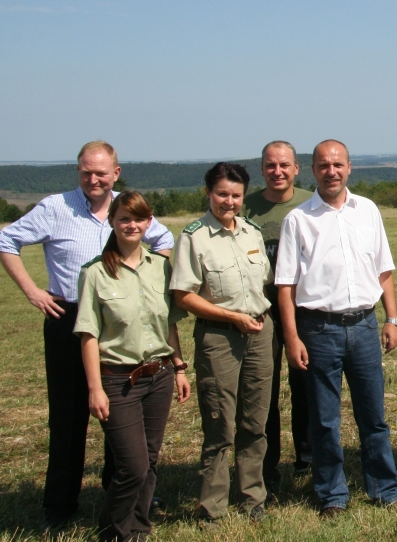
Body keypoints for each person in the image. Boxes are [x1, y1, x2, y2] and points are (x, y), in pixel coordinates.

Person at [0, 141, 174, 529]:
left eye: (101, 173)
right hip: (70, 317)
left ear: (116, 173)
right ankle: (59, 505)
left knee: (124, 407)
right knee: (70, 416)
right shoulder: (55, 207)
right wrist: (33, 291)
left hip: (120, 321)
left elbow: (164, 241)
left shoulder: (128, 207)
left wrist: (149, 286)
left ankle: (123, 491)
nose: (94, 179)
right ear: (78, 172)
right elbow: (4, 241)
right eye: (86, 172)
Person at [276, 140, 397, 516]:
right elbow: (285, 285)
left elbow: (383, 269)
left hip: (364, 325)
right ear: (312, 170)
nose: (331, 171)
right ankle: (332, 494)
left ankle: (384, 487)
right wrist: (291, 337)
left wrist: (392, 318)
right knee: (324, 418)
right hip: (318, 329)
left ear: (349, 167)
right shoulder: (298, 220)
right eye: (323, 165)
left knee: (373, 415)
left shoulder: (367, 210)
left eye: (338, 164)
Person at [75, 191, 191, 541]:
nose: (131, 225)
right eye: (124, 218)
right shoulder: (94, 273)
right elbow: (88, 335)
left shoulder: (161, 267)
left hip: (159, 375)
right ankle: (112, 532)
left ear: (148, 222)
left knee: (151, 461)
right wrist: (94, 388)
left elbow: (168, 324)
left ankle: (138, 528)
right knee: (132, 466)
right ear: (111, 221)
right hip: (117, 380)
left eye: (138, 218)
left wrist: (180, 366)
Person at [169, 162, 273, 526]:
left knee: (255, 419)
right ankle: (212, 506)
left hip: (260, 332)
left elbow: (263, 284)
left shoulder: (251, 232)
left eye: (236, 195)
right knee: (219, 423)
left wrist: (253, 319)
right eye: (222, 194)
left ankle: (252, 497)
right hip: (219, 336)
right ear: (208, 193)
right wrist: (232, 317)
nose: (229, 202)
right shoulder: (194, 237)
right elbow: (183, 295)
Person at [241, 141, 314, 497]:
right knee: (263, 389)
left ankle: (308, 456)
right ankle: (266, 463)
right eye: (271, 165)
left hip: (305, 309)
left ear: (296, 168)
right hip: (260, 310)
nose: (278, 171)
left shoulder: (309, 203)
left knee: (305, 384)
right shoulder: (247, 207)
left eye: (284, 165)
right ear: (262, 169)